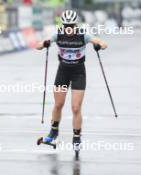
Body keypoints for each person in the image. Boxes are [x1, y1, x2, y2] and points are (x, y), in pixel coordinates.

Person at [36, 10, 108, 148]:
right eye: (66, 25)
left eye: (72, 25)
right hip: (63, 72)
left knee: (75, 108)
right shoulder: (58, 34)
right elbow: (38, 45)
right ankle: (53, 133)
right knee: (58, 105)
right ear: (62, 24)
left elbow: (101, 42)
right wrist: (44, 44)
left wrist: (99, 45)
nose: (69, 28)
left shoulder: (83, 35)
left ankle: (76, 137)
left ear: (76, 24)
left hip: (78, 73)